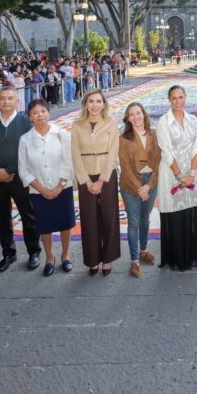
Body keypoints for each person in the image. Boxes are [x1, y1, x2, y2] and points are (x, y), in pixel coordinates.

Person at [0, 87, 41, 272]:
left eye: (10, 98)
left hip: (21, 178)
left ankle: (33, 251)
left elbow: (31, 152)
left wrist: (9, 170)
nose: (5, 101)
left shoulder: (26, 122)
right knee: (3, 218)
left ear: (17, 101)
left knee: (28, 215)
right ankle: (8, 253)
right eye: (2, 98)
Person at [18, 99, 75, 277]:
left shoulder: (62, 134)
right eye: (35, 113)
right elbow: (23, 169)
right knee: (45, 226)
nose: (39, 115)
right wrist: (41, 189)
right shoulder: (25, 139)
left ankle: (65, 255)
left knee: (65, 223)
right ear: (29, 117)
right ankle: (50, 258)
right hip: (38, 191)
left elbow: (69, 162)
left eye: (43, 111)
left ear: (49, 112)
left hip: (63, 188)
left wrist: (59, 186)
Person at [70, 89, 121, 275]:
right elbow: (75, 155)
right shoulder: (77, 125)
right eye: (91, 101)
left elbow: (113, 153)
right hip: (85, 176)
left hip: (106, 175)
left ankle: (107, 258)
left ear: (103, 104)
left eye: (98, 101)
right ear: (85, 104)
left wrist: (101, 180)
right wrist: (86, 180)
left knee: (109, 217)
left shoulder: (111, 123)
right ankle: (92, 259)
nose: (95, 105)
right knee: (89, 219)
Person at [155, 85, 197, 270]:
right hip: (172, 174)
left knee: (191, 213)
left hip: (191, 173)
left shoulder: (193, 120)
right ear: (169, 100)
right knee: (176, 216)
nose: (178, 101)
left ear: (186, 97)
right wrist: (179, 176)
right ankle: (178, 258)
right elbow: (166, 152)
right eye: (174, 98)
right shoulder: (164, 122)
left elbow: (196, 147)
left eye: (181, 97)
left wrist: (191, 174)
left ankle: (193, 255)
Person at [118, 102, 161, 277]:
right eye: (131, 114)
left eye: (138, 113)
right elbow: (125, 167)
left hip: (151, 181)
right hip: (130, 184)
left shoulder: (154, 134)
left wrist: (149, 185)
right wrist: (139, 188)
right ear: (128, 119)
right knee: (133, 222)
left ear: (144, 114)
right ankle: (134, 260)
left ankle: (143, 250)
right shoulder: (123, 139)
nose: (135, 117)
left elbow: (158, 162)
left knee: (145, 219)